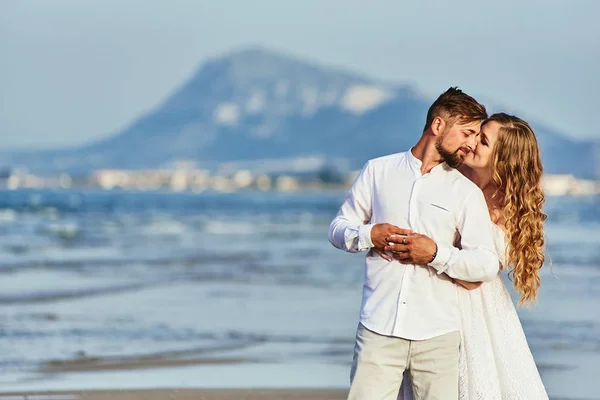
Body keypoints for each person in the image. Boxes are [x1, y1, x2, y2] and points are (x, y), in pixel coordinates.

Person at [328, 87, 500, 400]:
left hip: (438, 334)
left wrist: (435, 253)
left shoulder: (465, 192)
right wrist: (370, 234)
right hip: (378, 327)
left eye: (476, 136)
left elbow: (486, 263)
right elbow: (338, 229)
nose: (472, 144)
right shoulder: (377, 171)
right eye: (467, 133)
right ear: (438, 126)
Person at [398, 113, 549, 399]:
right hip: (429, 291)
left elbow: (474, 279)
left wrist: (435, 252)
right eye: (475, 134)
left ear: (504, 157)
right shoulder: (449, 175)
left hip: (477, 310)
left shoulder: (511, 208)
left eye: (483, 140)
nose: (472, 142)